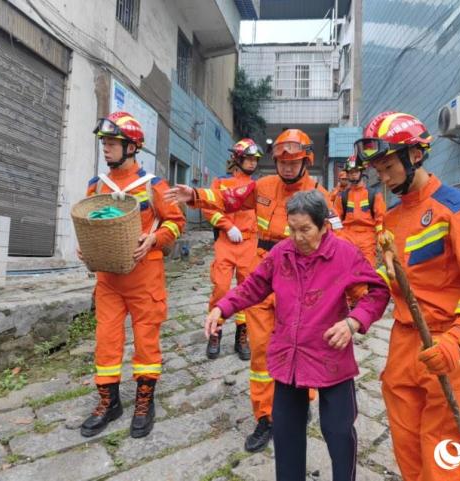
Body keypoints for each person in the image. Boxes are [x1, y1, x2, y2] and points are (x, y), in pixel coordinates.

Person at [164, 128, 343, 452]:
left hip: (303, 283)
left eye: (294, 162)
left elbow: (335, 240)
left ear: (307, 160)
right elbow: (228, 198)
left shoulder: (319, 194)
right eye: (282, 162)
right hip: (266, 275)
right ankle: (266, 416)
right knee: (261, 351)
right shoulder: (261, 187)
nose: (287, 168)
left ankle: (300, 404)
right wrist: (194, 196)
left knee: (302, 348)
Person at [354, 111, 460, 480]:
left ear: (415, 156)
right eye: (377, 169)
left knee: (442, 459)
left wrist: (457, 342)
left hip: (448, 347)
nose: (382, 177)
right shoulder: (390, 220)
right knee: (408, 453)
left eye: (387, 166)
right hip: (403, 345)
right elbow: (393, 278)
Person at [204, 190, 389, 481]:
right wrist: (222, 308)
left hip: (330, 357)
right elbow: (254, 286)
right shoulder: (281, 253)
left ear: (324, 226)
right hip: (288, 357)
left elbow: (378, 292)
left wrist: (354, 322)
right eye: (293, 229)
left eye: (306, 229)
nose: (298, 237)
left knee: (338, 431)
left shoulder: (344, 254)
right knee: (287, 432)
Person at [78, 111, 185, 439]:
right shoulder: (97, 185)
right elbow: (89, 221)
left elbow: (176, 222)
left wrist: (155, 237)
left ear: (132, 147)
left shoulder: (153, 185)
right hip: (108, 279)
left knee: (146, 341)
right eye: (105, 143)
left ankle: (144, 400)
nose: (106, 149)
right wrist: (85, 247)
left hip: (145, 277)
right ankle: (109, 402)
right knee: (106, 341)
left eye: (112, 143)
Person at [202, 139, 260, 360]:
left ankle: (241, 335)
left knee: (246, 291)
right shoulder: (221, 183)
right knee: (221, 287)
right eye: (249, 158)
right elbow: (209, 209)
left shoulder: (256, 186)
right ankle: (215, 330)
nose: (253, 163)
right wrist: (227, 225)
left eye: (255, 160)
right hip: (226, 241)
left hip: (249, 243)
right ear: (237, 158)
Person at [333, 155, 386, 266]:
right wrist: (339, 236)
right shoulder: (342, 196)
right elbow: (335, 218)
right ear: (347, 174)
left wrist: (380, 236)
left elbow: (380, 218)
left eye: (356, 171)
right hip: (347, 237)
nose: (353, 174)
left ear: (362, 171)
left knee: (368, 269)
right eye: (351, 172)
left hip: (368, 238)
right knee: (346, 269)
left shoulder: (374, 194)